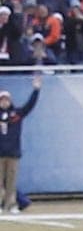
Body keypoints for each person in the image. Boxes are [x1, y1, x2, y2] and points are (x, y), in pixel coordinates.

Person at [0, 75, 42, 214]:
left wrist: (36, 90)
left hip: (13, 153)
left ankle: (11, 205)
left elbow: (29, 106)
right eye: (2, 100)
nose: (4, 102)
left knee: (11, 182)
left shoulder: (17, 114)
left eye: (6, 99)